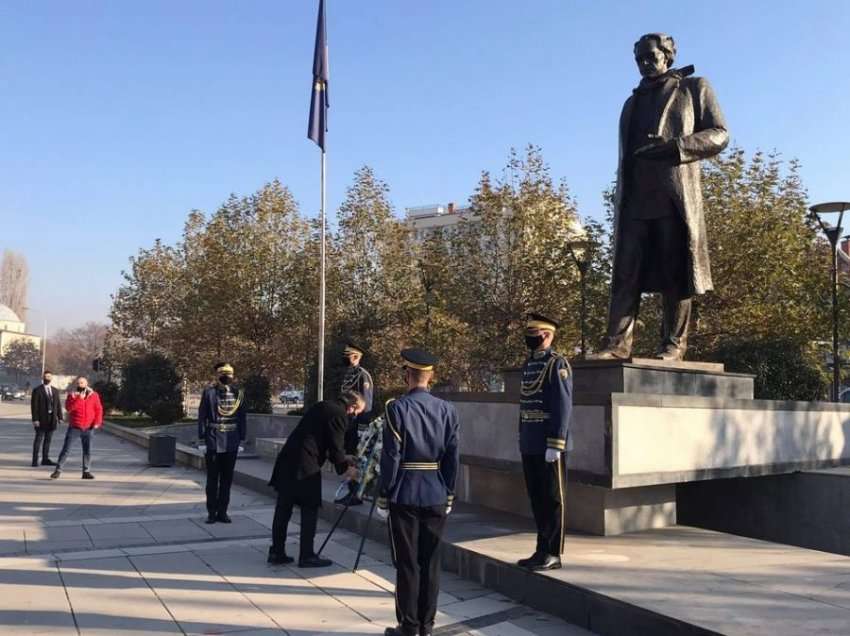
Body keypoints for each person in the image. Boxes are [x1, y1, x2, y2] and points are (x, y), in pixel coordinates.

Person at [593, 33, 728, 361]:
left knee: (675, 273)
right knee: (625, 274)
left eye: (650, 56)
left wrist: (677, 147)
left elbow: (719, 135)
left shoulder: (694, 87)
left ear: (667, 54)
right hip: (635, 200)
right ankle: (617, 344)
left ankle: (672, 344)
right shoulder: (632, 102)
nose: (644, 64)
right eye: (638, 58)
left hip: (674, 198)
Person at [378, 348, 459, 636]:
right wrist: (449, 492)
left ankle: (409, 626)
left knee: (408, 563)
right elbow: (452, 457)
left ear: (407, 375)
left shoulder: (396, 408)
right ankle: (427, 625)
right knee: (432, 562)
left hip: (405, 492)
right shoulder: (448, 410)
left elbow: (391, 457)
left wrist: (383, 494)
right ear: (431, 376)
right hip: (436, 491)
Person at [267, 391, 362, 567]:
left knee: (283, 509)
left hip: (289, 459)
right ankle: (307, 555)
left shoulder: (323, 405)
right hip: (305, 465)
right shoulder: (340, 414)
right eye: (357, 413)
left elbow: (321, 438)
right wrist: (347, 469)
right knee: (309, 508)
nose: (354, 417)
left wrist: (345, 458)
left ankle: (276, 552)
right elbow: (335, 447)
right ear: (352, 407)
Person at [517, 313, 572, 571]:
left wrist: (556, 443)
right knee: (537, 498)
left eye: (534, 333)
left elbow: (562, 406)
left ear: (547, 335)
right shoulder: (529, 365)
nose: (530, 338)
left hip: (548, 444)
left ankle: (554, 553)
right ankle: (541, 549)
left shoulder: (557, 364)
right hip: (530, 441)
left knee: (552, 498)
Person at [198, 362, 247, 524]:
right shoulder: (209, 393)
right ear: (217, 375)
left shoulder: (239, 394)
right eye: (223, 374)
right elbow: (202, 416)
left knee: (227, 479)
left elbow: (241, 417)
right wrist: (202, 439)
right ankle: (212, 512)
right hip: (213, 439)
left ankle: (223, 512)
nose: (226, 376)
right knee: (212, 480)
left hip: (231, 440)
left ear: (233, 376)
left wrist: (242, 438)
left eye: (229, 374)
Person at [50, 377, 104, 480]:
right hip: (75, 427)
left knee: (87, 450)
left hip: (89, 427)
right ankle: (58, 470)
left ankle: (86, 471)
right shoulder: (72, 395)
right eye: (78, 383)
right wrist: (79, 398)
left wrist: (97, 422)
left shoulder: (94, 395)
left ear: (86, 383)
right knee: (66, 449)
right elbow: (69, 408)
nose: (80, 385)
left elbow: (98, 409)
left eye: (82, 383)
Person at [339, 342, 374, 453]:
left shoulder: (363, 375)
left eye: (347, 355)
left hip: (356, 422)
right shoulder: (347, 373)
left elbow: (366, 402)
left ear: (356, 357)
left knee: (353, 454)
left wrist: (362, 427)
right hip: (346, 420)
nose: (345, 358)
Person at [30, 370, 62, 467]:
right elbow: (34, 406)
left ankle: (45, 459)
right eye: (46, 376)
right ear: (43, 378)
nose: (47, 378)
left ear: (51, 378)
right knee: (38, 440)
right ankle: (35, 460)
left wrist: (60, 417)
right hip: (41, 419)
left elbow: (58, 405)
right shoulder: (37, 390)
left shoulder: (55, 391)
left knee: (48, 440)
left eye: (49, 376)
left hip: (52, 420)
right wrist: (35, 419)